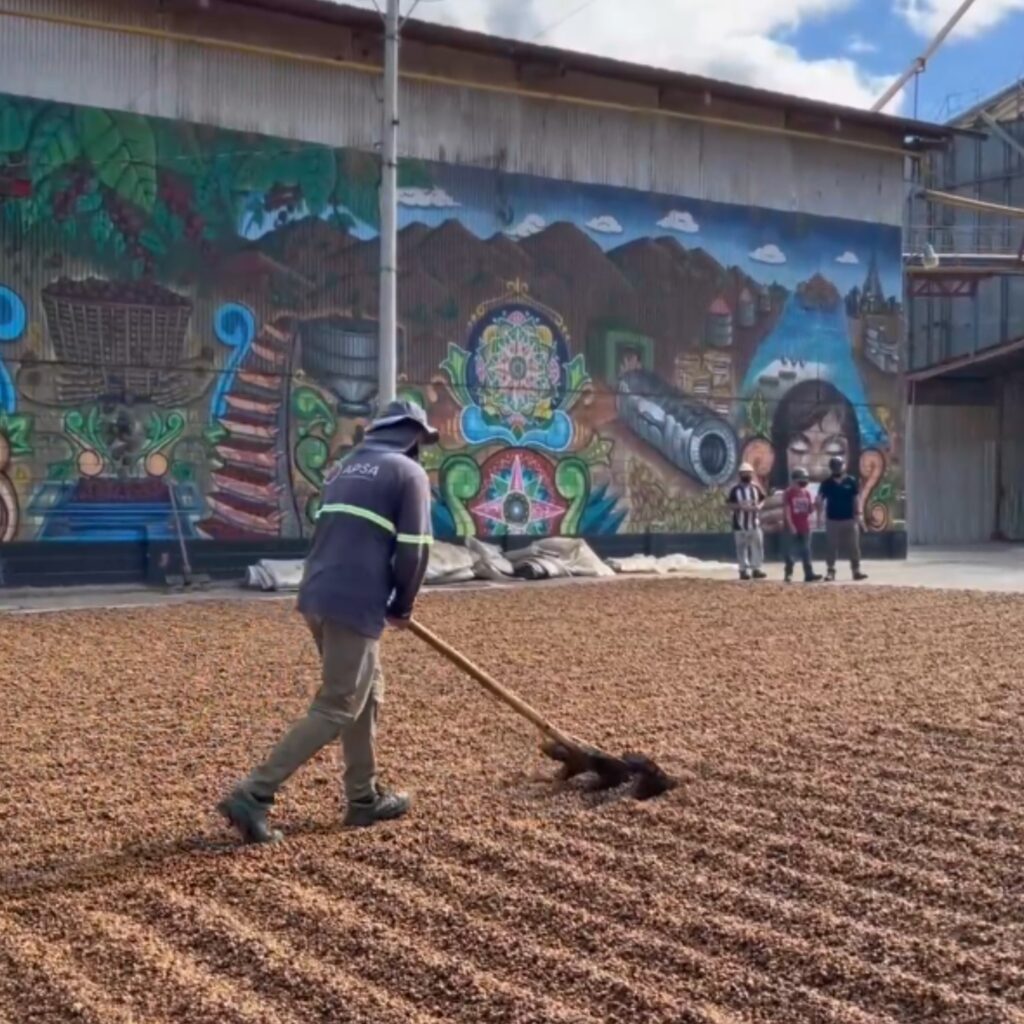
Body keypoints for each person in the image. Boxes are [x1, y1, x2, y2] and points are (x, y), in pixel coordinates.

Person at [217, 399, 439, 844]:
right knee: (337, 704)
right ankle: (254, 793)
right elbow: (414, 550)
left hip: (318, 592)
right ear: (412, 434)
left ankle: (363, 798)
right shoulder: (407, 472)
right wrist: (403, 605)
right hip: (356, 599)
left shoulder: (343, 467)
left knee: (366, 692)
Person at [816, 455, 868, 583]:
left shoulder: (851, 481)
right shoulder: (826, 483)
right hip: (832, 519)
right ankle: (830, 570)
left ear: (843, 466)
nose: (837, 469)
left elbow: (856, 498)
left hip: (849, 519)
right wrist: (819, 517)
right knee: (831, 546)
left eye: (839, 466)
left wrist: (859, 514)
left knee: (854, 546)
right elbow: (820, 500)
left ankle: (856, 570)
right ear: (831, 468)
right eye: (835, 467)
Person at [727, 462, 766, 581]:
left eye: (749, 473)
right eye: (744, 473)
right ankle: (743, 570)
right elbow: (729, 504)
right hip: (740, 523)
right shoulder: (734, 489)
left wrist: (759, 506)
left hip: (755, 522)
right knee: (741, 547)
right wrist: (740, 506)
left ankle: (756, 569)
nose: (747, 475)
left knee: (757, 546)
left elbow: (763, 499)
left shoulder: (756, 487)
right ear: (740, 475)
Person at [782, 466, 822, 583]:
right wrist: (791, 525)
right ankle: (788, 574)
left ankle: (809, 574)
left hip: (805, 526)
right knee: (791, 551)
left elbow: (809, 509)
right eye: (802, 479)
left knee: (806, 551)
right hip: (792, 526)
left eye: (805, 478)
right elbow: (787, 509)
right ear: (795, 480)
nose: (804, 481)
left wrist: (816, 505)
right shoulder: (789, 493)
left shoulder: (807, 493)